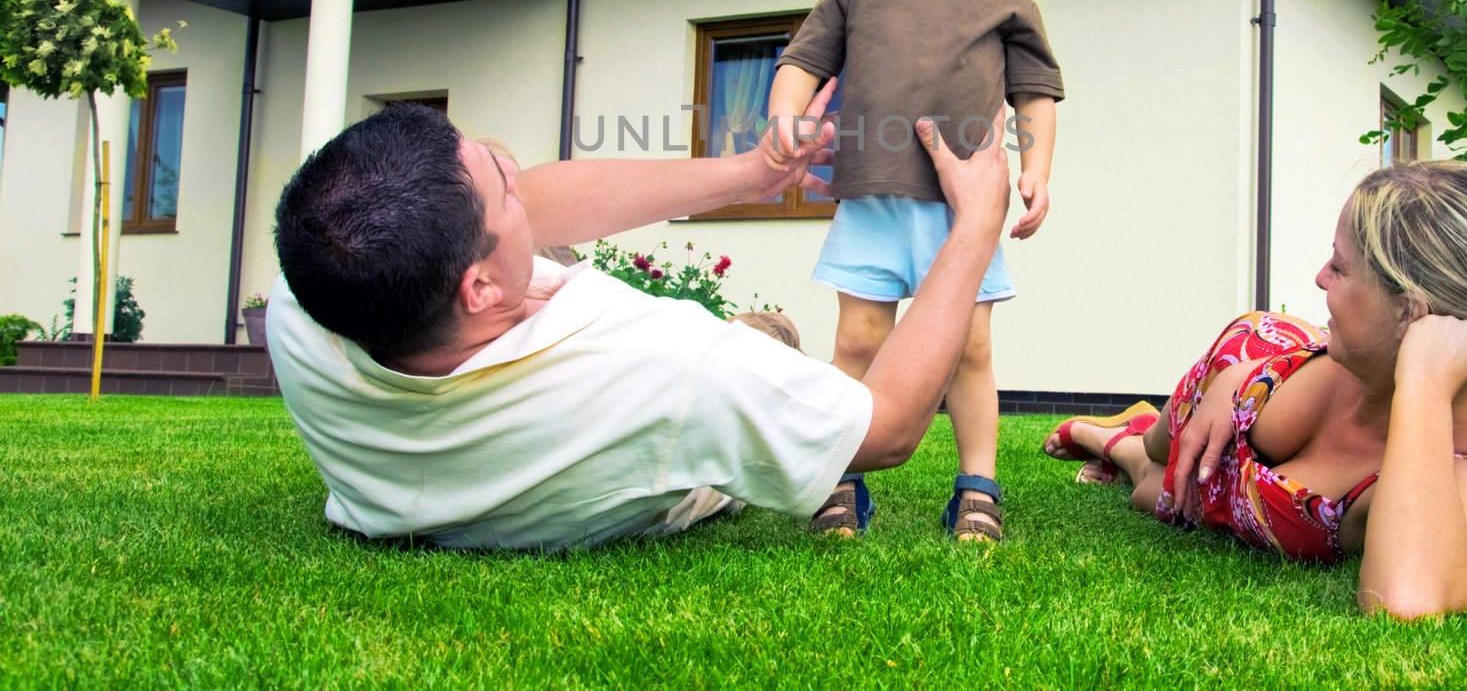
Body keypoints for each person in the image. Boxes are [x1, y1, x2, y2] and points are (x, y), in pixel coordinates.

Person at [267, 88, 1014, 551]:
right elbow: (882, 428)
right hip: (688, 459)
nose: (519, 181)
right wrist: (974, 225)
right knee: (757, 350)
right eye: (507, 190)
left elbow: (536, 203)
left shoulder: (309, 296)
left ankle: (764, 330)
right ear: (480, 290)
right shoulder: (661, 362)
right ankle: (769, 333)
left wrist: (748, 177)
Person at [1042, 160, 1467, 618]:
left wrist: (1421, 383)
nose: (1320, 279)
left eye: (1341, 267)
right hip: (1245, 367)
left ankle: (1106, 438)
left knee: (1151, 492)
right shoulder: (1349, 355)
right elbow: (1300, 357)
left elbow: (1405, 601)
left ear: (1410, 314)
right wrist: (1238, 381)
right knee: (1164, 452)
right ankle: (1133, 433)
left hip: (1241, 461)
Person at [767, 0, 1064, 542]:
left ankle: (978, 487)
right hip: (871, 201)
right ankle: (841, 479)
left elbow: (1036, 92)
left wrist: (1039, 169)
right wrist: (785, 116)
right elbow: (802, 63)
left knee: (970, 346)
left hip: (962, 209)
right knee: (859, 341)